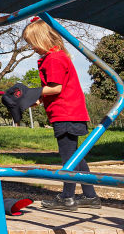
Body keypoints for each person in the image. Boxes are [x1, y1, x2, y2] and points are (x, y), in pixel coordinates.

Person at [22, 18, 100, 210]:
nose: (32, 48)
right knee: (77, 156)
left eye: (32, 43)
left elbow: (55, 88)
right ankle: (90, 197)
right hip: (71, 112)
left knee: (69, 158)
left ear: (42, 40)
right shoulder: (58, 57)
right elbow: (57, 88)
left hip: (65, 114)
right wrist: (38, 99)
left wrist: (33, 92)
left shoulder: (54, 59)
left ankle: (67, 198)